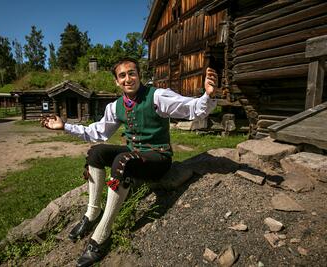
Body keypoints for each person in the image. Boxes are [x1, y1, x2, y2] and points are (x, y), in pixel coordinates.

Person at [41, 57, 218, 267]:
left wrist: (207, 95)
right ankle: (92, 213)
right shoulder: (116, 106)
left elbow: (192, 108)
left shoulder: (157, 96)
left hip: (158, 159)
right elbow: (96, 132)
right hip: (136, 156)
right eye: (122, 75)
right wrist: (65, 126)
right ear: (117, 81)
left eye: (131, 73)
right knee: (95, 153)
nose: (128, 78)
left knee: (121, 161)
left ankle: (102, 236)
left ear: (139, 75)